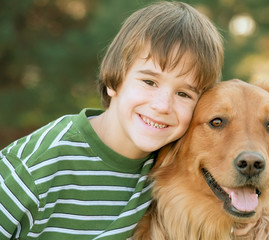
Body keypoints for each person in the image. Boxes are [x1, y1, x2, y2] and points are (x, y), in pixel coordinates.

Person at [0, 1, 223, 239]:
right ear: (114, 80)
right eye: (149, 82)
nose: (162, 105)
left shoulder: (172, 168)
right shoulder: (37, 165)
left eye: (183, 94)